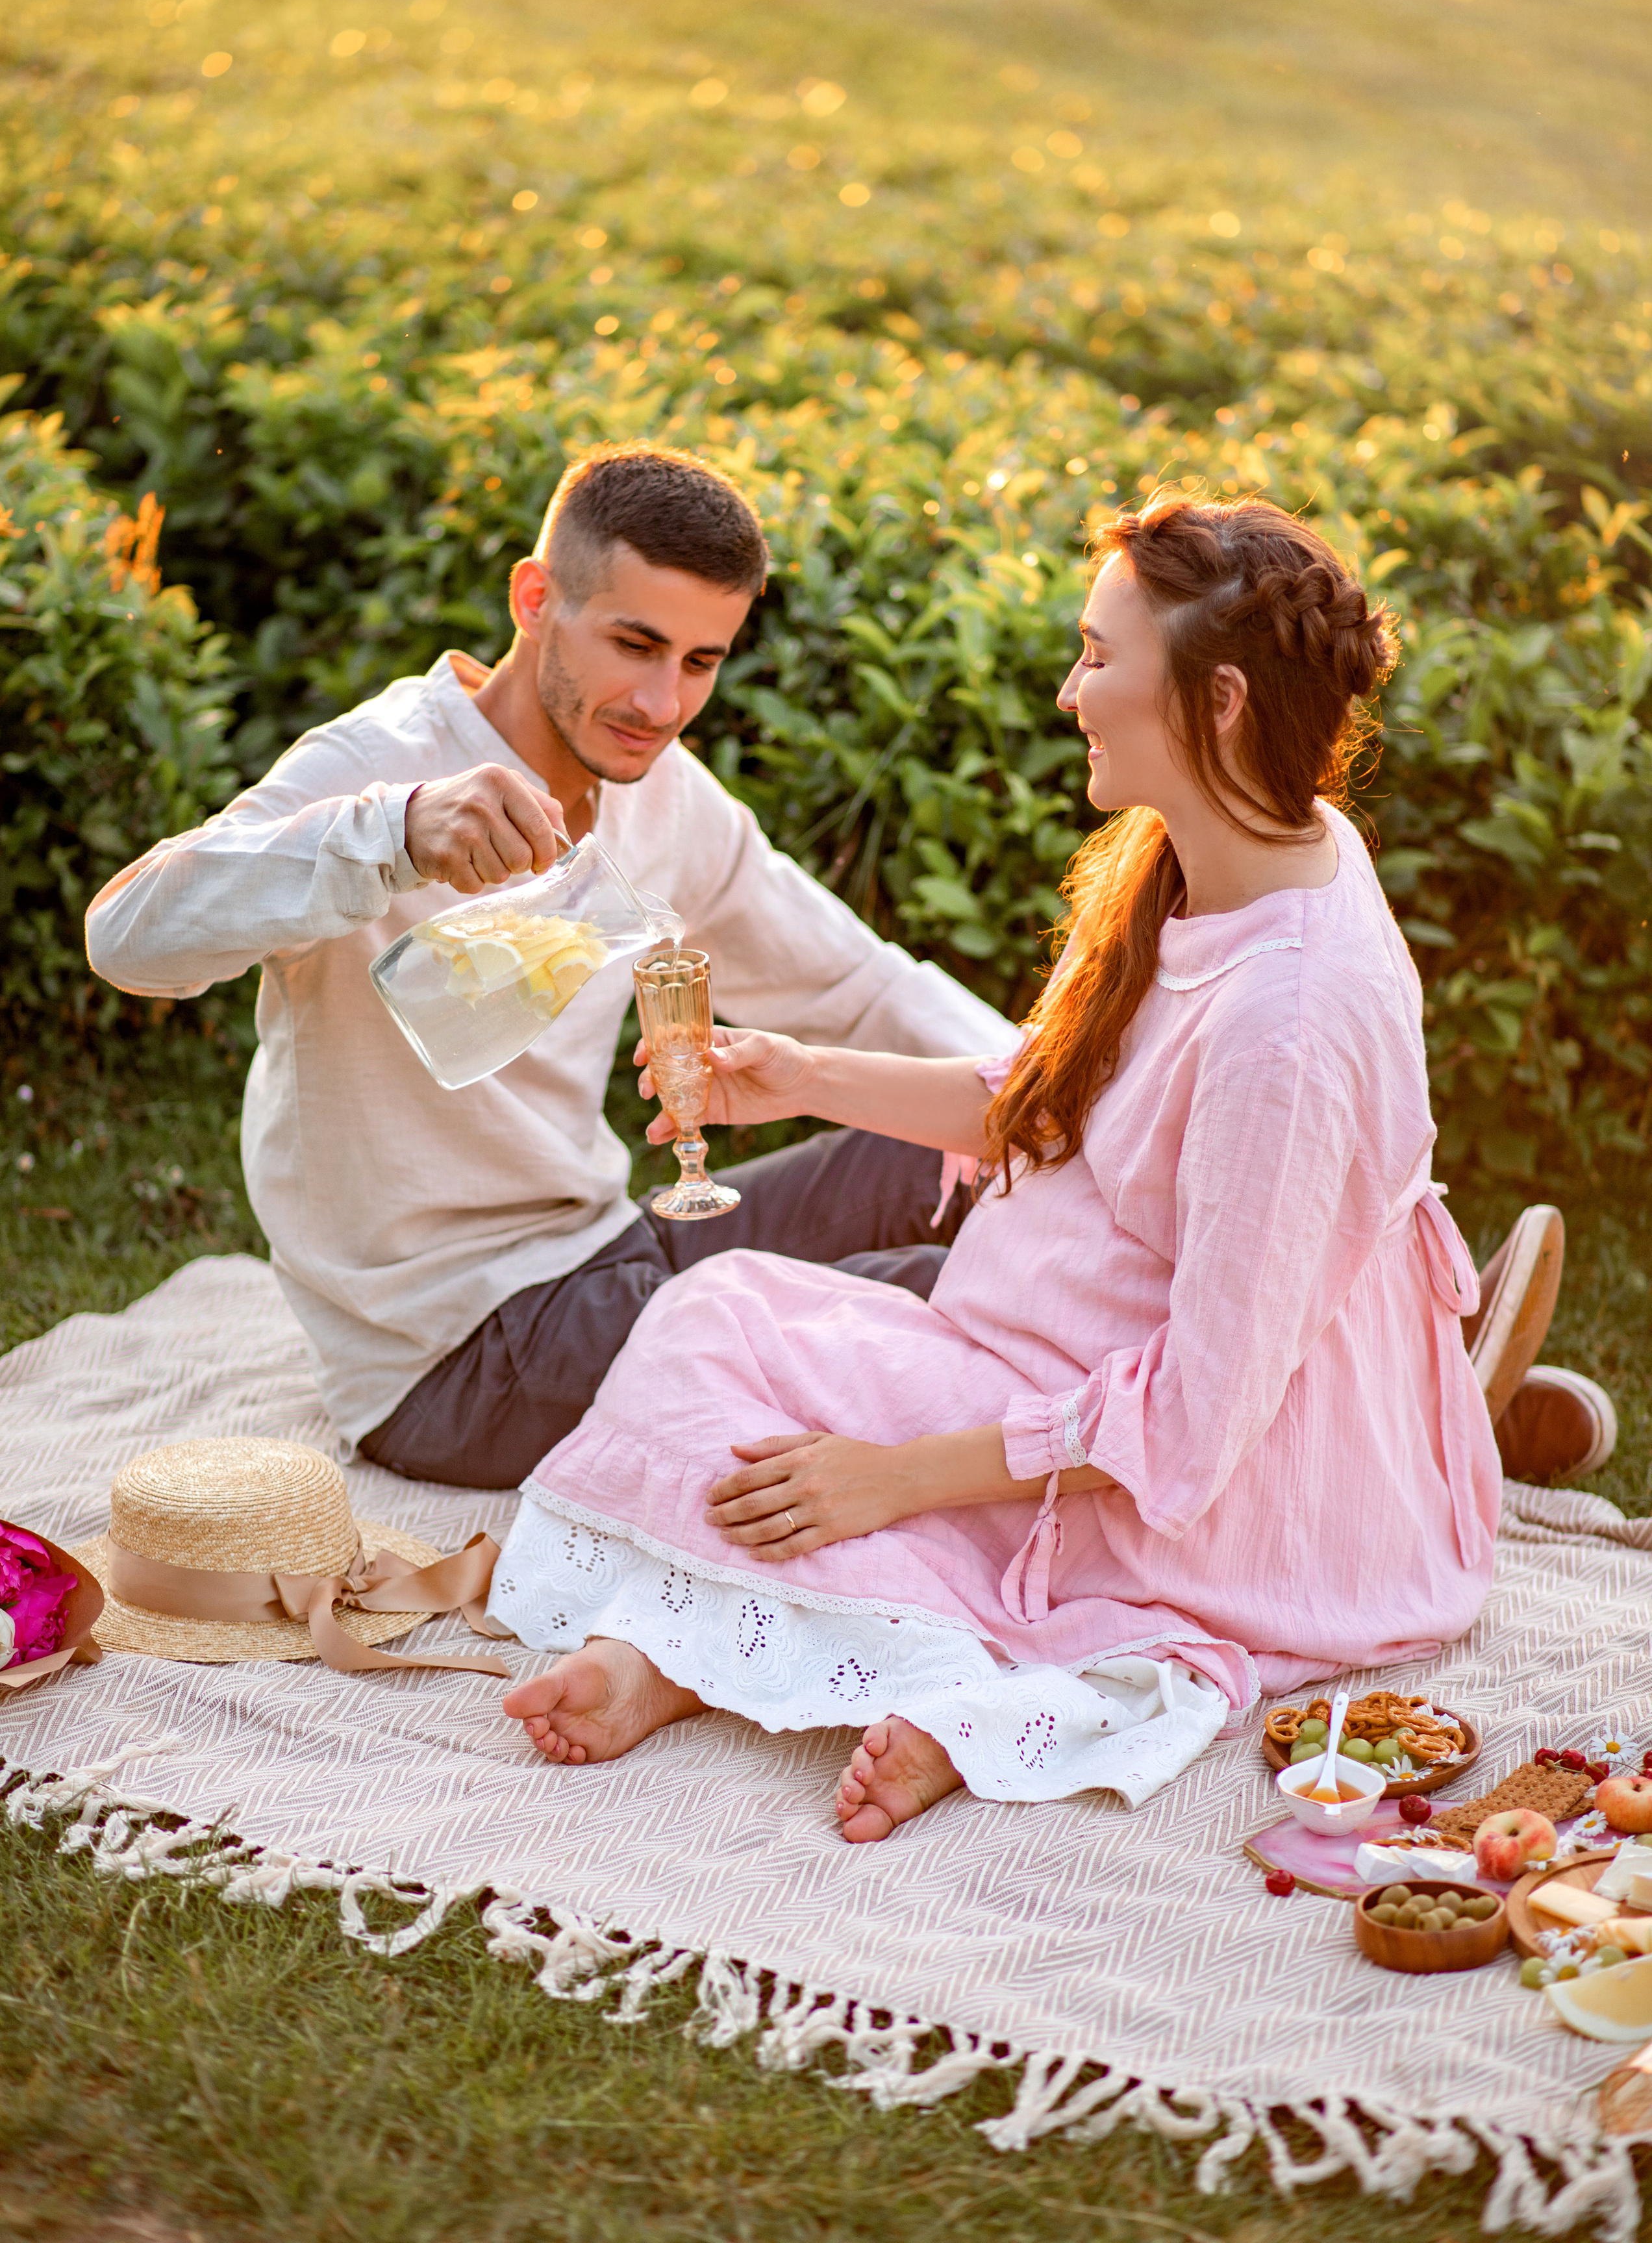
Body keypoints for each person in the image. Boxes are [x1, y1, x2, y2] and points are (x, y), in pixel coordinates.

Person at [490, 490, 1513, 1838]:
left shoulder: (1290, 1022)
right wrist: (795, 1078)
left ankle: (900, 1687)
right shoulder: (1220, 851)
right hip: (1051, 1363)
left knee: (798, 1422)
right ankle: (724, 1657)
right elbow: (1053, 1096)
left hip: (1211, 1493)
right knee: (716, 1318)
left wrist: (895, 1473)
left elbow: (1198, 1429)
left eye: (1097, 656)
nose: (1065, 689)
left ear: (1212, 703)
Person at [85, 444, 1010, 1487]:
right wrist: (391, 833)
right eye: (636, 643)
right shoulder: (380, 765)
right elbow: (129, 939)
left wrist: (1076, 1101)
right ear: (536, 599)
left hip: (612, 1250)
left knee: (961, 1158)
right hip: (452, 1361)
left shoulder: (669, 796)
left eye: (700, 663)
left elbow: (860, 986)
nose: (663, 703)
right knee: (930, 1299)